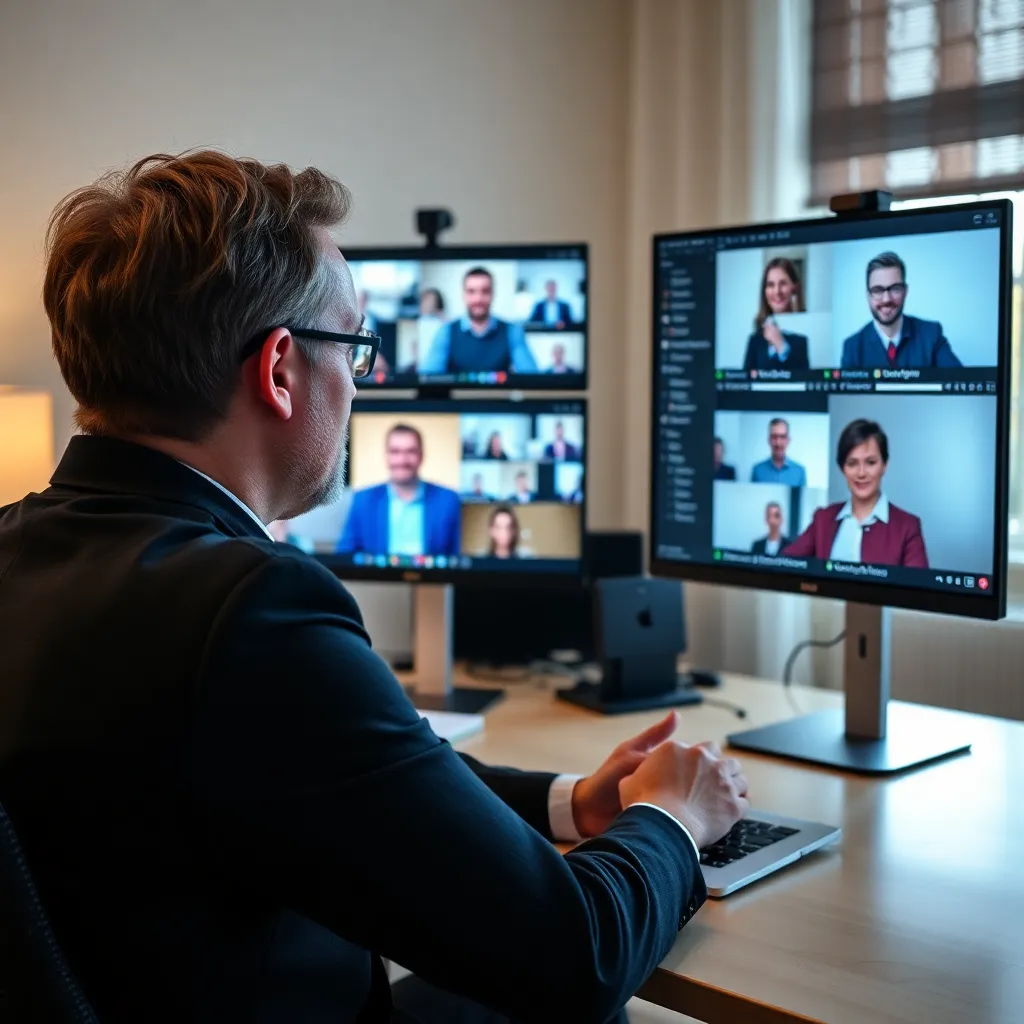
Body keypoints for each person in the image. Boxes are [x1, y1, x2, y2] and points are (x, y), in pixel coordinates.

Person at [0, 150, 748, 1024]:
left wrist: (571, 802)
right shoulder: (252, 610)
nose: (361, 382)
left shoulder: (21, 548)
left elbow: (358, 772)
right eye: (355, 346)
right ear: (280, 369)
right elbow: (576, 954)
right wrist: (671, 817)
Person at [783, 419, 928, 568]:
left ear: (884, 465)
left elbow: (917, 589)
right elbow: (783, 565)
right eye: (852, 463)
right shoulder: (823, 519)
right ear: (842, 468)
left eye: (871, 462)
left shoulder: (908, 527)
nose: (861, 473)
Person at [338, 423, 461, 556]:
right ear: (386, 456)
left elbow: (460, 558)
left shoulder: (448, 500)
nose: (402, 460)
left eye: (410, 451)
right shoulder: (363, 500)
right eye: (395, 451)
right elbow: (344, 555)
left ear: (421, 455)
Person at [840, 252, 961, 368]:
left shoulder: (931, 334)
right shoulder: (852, 348)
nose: (886, 299)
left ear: (905, 291)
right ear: (868, 296)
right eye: (878, 290)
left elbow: (958, 382)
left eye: (895, 289)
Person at [418, 267, 539, 375]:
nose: (478, 298)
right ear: (464, 295)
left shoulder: (512, 331)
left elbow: (531, 379)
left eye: (485, 291)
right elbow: (428, 378)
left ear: (492, 294)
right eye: (471, 292)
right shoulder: (446, 332)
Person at [742, 258, 809, 371]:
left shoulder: (802, 338)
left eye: (783, 284)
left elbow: (804, 378)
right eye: (770, 285)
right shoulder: (755, 340)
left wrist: (781, 346)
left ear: (794, 288)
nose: (777, 291)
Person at [750, 418, 806, 486]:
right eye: (774, 437)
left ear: (788, 440)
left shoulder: (799, 472)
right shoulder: (757, 470)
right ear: (769, 440)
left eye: (782, 437)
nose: (778, 443)